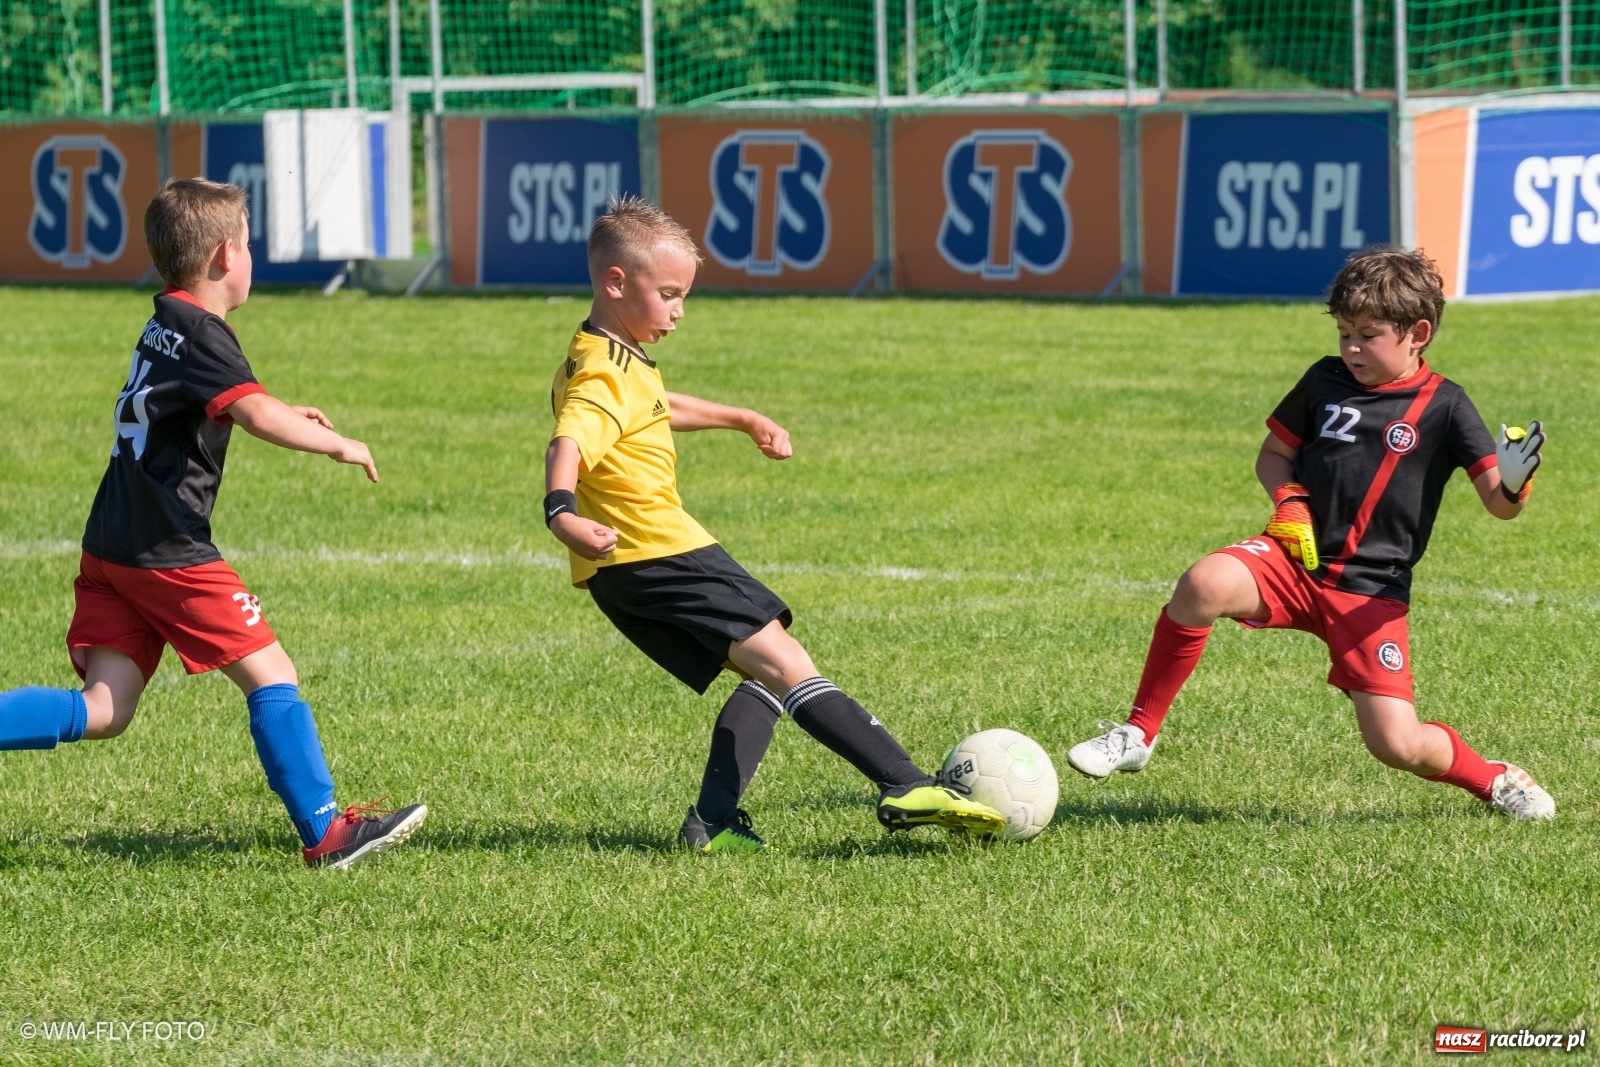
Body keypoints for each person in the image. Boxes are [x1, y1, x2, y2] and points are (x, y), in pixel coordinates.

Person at [544, 196, 1004, 852]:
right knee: (788, 662)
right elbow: (569, 442)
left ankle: (714, 820)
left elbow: (653, 404)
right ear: (617, 282)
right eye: (669, 294)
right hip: (659, 551)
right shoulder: (599, 377)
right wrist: (561, 512)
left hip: (624, 571)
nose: (680, 311)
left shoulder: (605, 352)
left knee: (765, 673)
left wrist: (741, 416)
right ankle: (902, 780)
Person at [0, 178, 427, 867]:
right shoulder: (205, 331)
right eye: (250, 244)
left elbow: (217, 397)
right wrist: (338, 442)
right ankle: (327, 833)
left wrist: (288, 407)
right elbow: (251, 412)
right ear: (227, 255)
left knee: (105, 709)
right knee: (271, 672)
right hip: (166, 550)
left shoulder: (166, 318)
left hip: (112, 540)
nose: (252, 257)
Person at [1066, 246, 1554, 820]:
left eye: (1367, 335)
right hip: (1293, 561)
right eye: (1344, 332)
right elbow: (1273, 455)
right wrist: (1290, 500)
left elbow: (1499, 504)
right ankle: (1137, 733)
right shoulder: (1324, 380)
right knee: (1202, 584)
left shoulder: (1446, 406)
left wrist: (1516, 482)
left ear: (1417, 332)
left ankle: (1493, 779)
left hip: (1370, 591)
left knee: (1396, 744)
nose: (1350, 348)